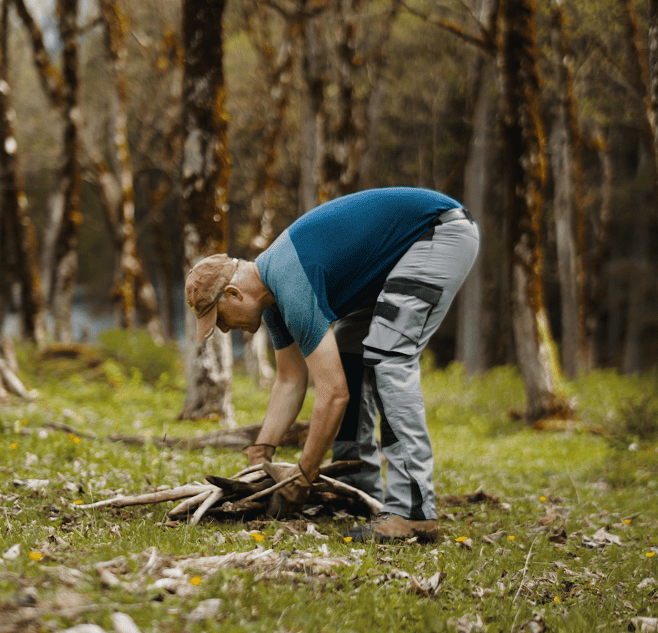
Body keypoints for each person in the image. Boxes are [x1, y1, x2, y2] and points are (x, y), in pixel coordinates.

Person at [185, 187, 480, 543]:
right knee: (349, 351)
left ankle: (413, 513)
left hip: (437, 234)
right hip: (402, 253)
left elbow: (334, 394)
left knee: (389, 356)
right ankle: (356, 483)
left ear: (233, 294)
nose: (223, 329)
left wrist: (304, 474)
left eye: (219, 318)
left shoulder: (289, 282)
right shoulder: (273, 299)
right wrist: (262, 449)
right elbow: (289, 381)